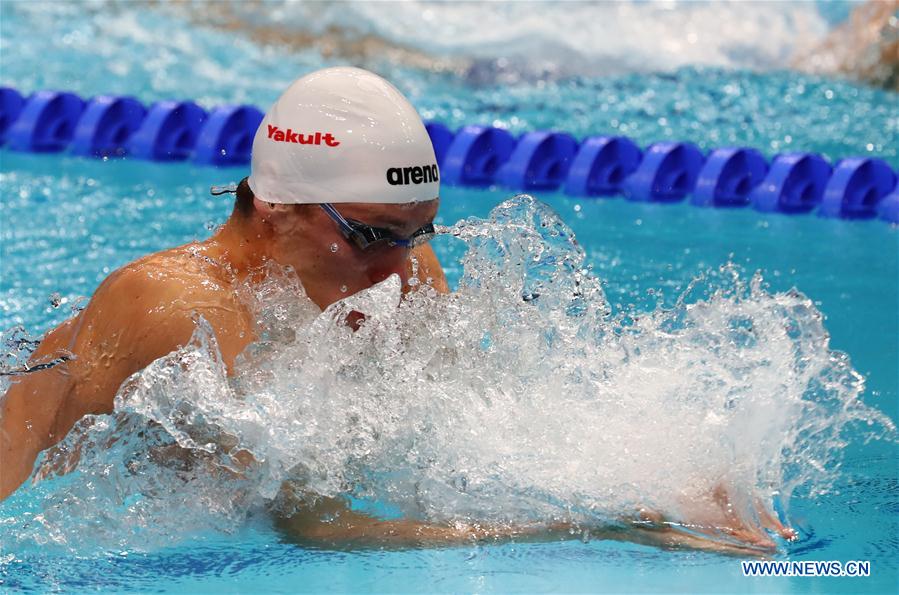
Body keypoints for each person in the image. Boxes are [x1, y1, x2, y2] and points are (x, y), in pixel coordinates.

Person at [0, 67, 792, 553]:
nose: (398, 267)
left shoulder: (402, 270)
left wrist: (649, 473)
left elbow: (471, 425)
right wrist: (605, 525)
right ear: (276, 207)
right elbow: (306, 521)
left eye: (417, 234)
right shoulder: (179, 308)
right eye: (372, 235)